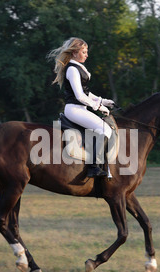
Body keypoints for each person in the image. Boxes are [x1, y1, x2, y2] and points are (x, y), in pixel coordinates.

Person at [48, 37, 115, 177]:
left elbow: (86, 92)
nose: (86, 54)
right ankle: (93, 167)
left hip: (80, 109)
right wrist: (98, 106)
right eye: (83, 52)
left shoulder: (77, 67)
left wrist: (103, 101)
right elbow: (79, 96)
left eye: (86, 51)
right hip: (75, 109)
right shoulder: (72, 69)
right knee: (105, 130)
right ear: (74, 53)